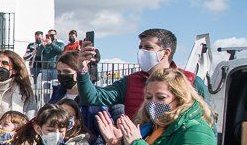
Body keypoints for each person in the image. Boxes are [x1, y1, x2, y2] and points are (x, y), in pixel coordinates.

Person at [77, 28, 209, 119]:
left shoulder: (191, 81)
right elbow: (93, 97)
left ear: (166, 52)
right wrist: (82, 70)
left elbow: (207, 124)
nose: (142, 52)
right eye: (140, 47)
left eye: (148, 48)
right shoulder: (130, 82)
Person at [50, 51, 108, 145]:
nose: (62, 75)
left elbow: (101, 134)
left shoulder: (95, 98)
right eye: (59, 72)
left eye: (67, 72)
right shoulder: (57, 95)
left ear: (79, 72)